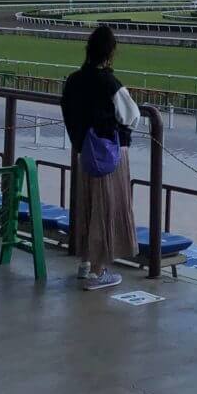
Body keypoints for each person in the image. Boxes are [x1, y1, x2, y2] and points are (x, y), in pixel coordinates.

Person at [61, 24, 140, 291]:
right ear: (110, 53)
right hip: (111, 157)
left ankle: (86, 263)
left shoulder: (73, 80)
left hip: (84, 153)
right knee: (106, 211)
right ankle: (98, 271)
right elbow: (132, 116)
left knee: (88, 208)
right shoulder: (109, 82)